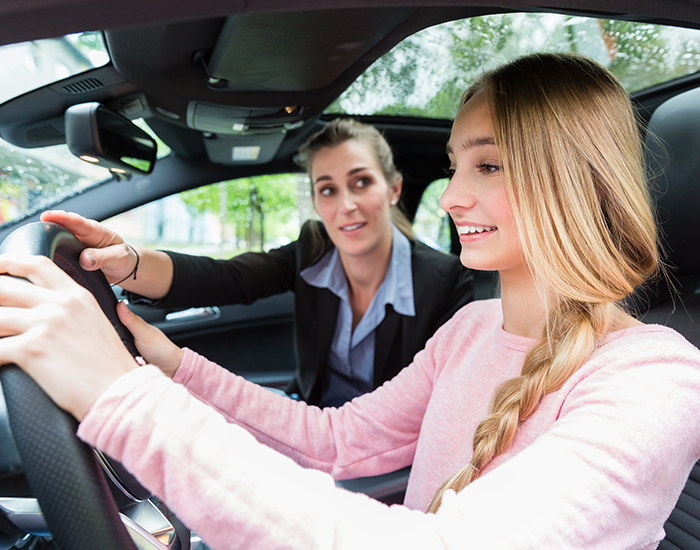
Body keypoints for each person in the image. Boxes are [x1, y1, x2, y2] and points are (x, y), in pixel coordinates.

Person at [2, 51, 700, 549]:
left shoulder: (656, 380)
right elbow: (335, 439)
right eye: (456, 166)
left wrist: (117, 398)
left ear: (572, 180)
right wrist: (169, 366)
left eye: (487, 165)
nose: (454, 198)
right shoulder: (472, 327)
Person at [40, 118, 474, 408]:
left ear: (393, 189)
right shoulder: (313, 246)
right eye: (327, 189)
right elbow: (227, 278)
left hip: (384, 450)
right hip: (311, 414)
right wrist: (129, 262)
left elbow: (434, 408)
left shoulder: (444, 281)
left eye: (361, 182)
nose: (346, 205)